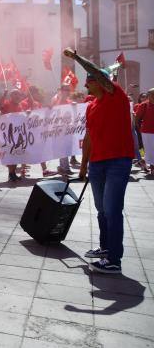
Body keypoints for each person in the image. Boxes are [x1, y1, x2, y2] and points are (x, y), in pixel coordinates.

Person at [64, 48, 135, 275]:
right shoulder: (92, 106)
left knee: (113, 210)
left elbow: (96, 71)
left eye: (89, 81)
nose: (86, 85)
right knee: (101, 210)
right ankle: (105, 249)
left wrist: (76, 57)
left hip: (117, 162)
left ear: (102, 81)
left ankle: (114, 260)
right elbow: (89, 138)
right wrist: (84, 166)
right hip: (97, 164)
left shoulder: (117, 95)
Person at [134, 88, 154, 175]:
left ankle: (142, 161)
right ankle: (152, 168)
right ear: (149, 95)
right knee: (150, 151)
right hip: (147, 132)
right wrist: (140, 130)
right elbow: (137, 119)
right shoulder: (144, 105)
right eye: (152, 94)